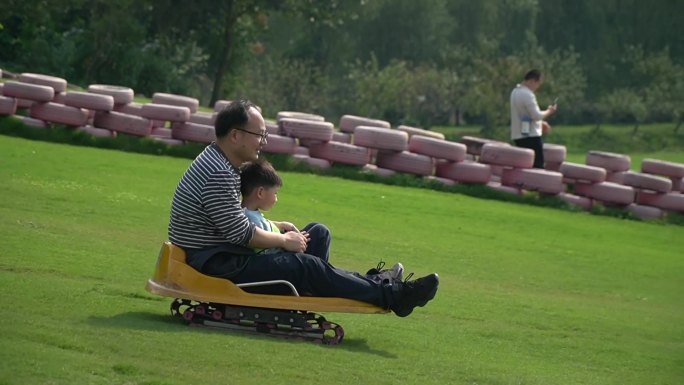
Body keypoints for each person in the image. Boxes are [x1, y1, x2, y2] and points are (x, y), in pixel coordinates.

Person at [168, 99, 438, 317]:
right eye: (259, 135)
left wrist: (277, 227)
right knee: (306, 266)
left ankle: (367, 284)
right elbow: (241, 235)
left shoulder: (220, 163)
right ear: (236, 135)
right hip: (218, 264)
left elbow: (231, 220)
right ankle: (392, 294)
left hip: (224, 254)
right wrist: (283, 240)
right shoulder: (218, 172)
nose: (263, 142)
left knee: (316, 235)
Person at [239, 158, 404, 282]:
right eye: (275, 193)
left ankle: (327, 277)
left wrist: (280, 224)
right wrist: (284, 241)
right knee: (321, 249)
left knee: (318, 230)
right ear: (260, 193)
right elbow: (258, 239)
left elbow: (260, 226)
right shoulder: (249, 219)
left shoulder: (248, 214)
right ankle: (367, 280)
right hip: (281, 265)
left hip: (284, 257)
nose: (276, 198)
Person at [510, 69, 558, 168]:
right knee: (537, 165)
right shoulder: (528, 95)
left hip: (519, 135)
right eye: (538, 83)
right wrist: (549, 111)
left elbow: (524, 115)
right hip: (531, 136)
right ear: (532, 80)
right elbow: (536, 116)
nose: (537, 87)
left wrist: (541, 123)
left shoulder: (515, 92)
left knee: (523, 165)